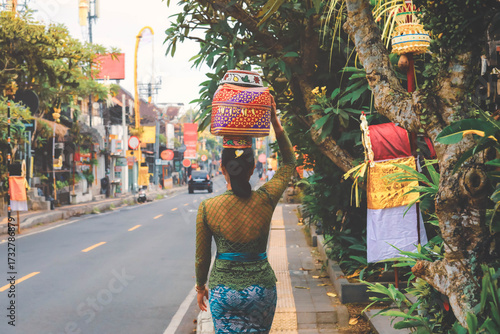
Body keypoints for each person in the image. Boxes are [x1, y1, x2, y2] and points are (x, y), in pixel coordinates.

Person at [195, 96, 296, 333]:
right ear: (253, 168)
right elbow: (290, 163)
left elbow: (202, 258)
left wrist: (201, 287)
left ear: (222, 169)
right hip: (261, 289)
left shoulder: (208, 207)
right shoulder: (266, 198)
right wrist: (275, 124)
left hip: (223, 292)